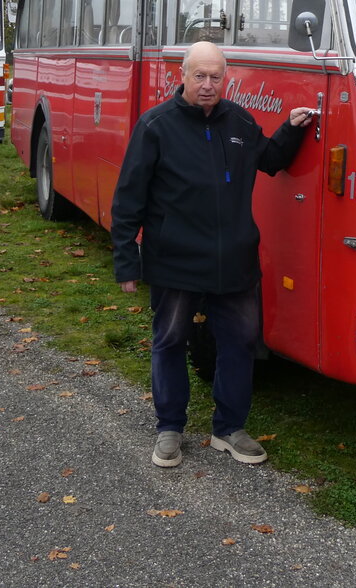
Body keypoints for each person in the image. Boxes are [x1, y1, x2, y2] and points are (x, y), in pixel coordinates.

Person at [111, 42, 315, 468]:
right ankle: (169, 428)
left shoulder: (239, 120)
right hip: (176, 261)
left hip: (234, 260)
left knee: (239, 342)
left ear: (227, 77)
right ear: (182, 76)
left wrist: (291, 128)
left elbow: (271, 160)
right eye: (199, 76)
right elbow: (128, 199)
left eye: (216, 77)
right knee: (169, 341)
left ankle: (229, 429)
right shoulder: (156, 126)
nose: (207, 85)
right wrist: (127, 260)